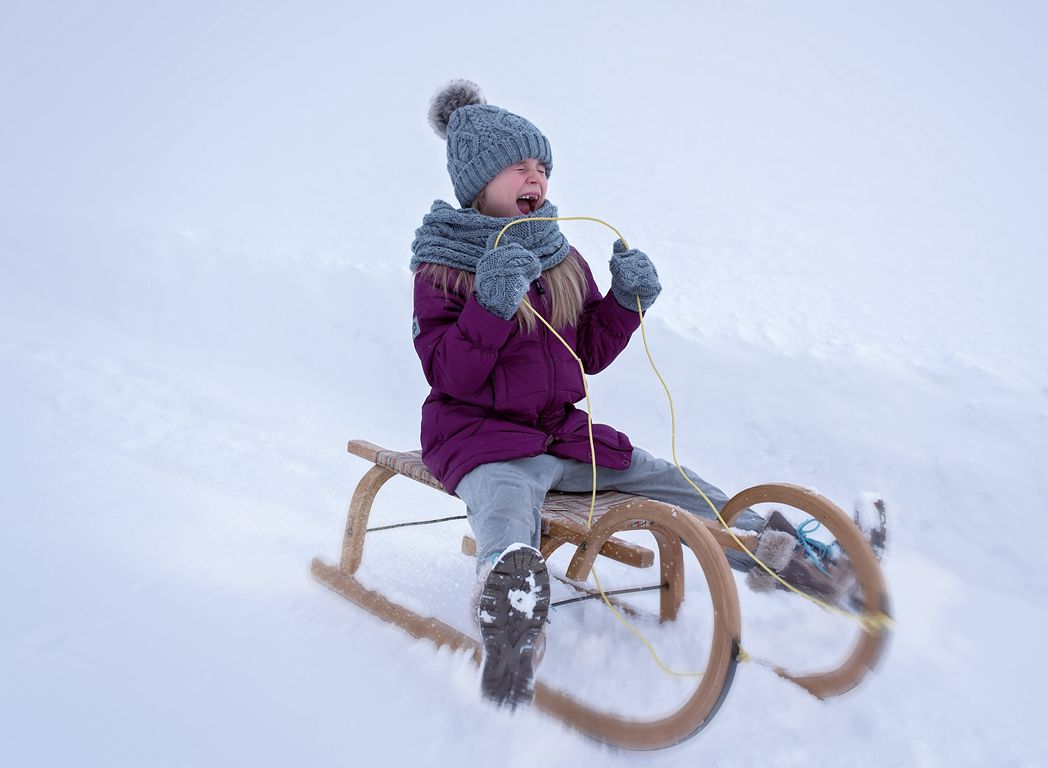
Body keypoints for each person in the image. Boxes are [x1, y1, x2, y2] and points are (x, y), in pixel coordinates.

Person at [409, 80, 848, 709]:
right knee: (506, 507)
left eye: (543, 166)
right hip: (482, 441)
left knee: (669, 478)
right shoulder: (442, 268)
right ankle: (511, 611)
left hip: (562, 434)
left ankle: (782, 552)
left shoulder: (559, 256)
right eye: (519, 166)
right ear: (479, 181)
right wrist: (490, 304)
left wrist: (625, 301)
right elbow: (448, 375)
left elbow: (585, 351)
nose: (536, 177)